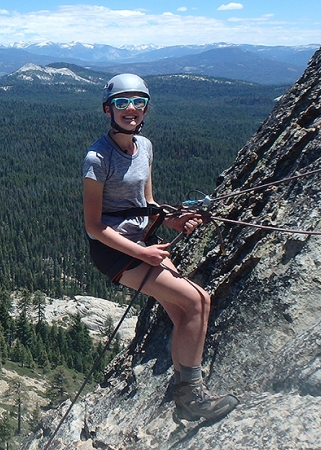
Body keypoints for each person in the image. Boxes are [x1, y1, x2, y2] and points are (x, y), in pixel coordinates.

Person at [82, 73, 238, 421]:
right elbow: (93, 226)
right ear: (108, 109)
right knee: (198, 300)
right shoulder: (97, 158)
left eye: (139, 102)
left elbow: (146, 203)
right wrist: (142, 253)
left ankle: (186, 388)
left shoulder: (145, 147)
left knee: (184, 309)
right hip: (114, 250)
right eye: (122, 103)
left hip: (142, 242)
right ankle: (191, 394)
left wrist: (173, 220)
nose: (131, 109)